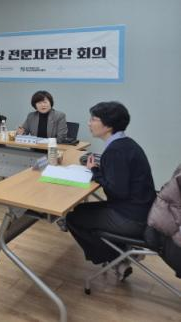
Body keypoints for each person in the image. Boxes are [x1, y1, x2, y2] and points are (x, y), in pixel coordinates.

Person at [66, 102, 156, 278]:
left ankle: (116, 258)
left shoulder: (115, 151)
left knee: (73, 218)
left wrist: (95, 172)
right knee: (81, 210)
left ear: (108, 125)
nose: (89, 123)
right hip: (142, 210)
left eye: (93, 119)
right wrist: (98, 170)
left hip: (132, 219)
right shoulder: (126, 144)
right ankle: (121, 254)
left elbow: (117, 191)